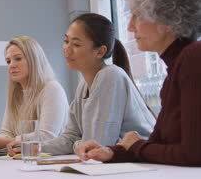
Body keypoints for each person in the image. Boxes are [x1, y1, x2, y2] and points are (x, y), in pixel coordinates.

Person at [76, 0, 201, 166]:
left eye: (138, 16)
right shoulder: (178, 66)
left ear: (167, 18)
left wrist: (134, 146)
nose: (130, 26)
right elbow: (156, 146)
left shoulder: (192, 58)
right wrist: (111, 152)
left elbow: (193, 154)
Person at [11, 13, 156, 157]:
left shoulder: (111, 76)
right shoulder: (83, 86)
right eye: (66, 41)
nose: (67, 49)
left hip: (146, 162)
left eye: (76, 44)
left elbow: (97, 145)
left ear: (100, 51)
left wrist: (77, 143)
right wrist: (39, 148)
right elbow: (70, 137)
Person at [0, 36, 69, 153]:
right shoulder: (15, 94)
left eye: (18, 59)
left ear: (34, 59)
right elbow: (7, 133)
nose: (11, 65)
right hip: (25, 159)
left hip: (52, 160)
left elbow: (47, 137)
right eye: (8, 61)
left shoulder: (52, 89)